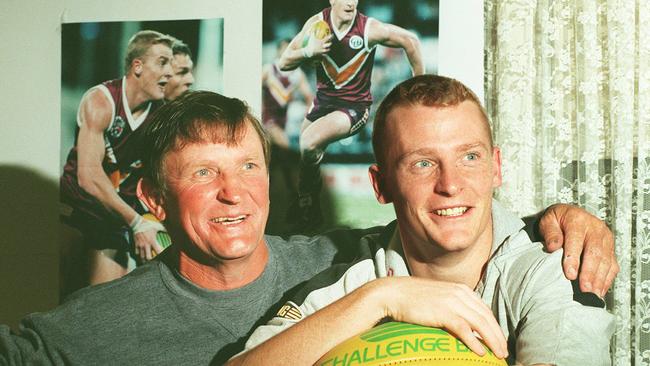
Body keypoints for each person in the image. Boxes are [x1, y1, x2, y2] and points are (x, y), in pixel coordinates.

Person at [2, 91, 615, 365]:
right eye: (202, 174)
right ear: (153, 201)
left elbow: (444, 223)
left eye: (248, 166)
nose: (233, 192)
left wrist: (557, 222)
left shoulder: (334, 258)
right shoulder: (92, 324)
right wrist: (382, 298)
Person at [232, 76, 616, 366]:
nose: (450, 185)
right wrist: (383, 298)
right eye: (423, 164)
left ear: (495, 168)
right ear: (381, 186)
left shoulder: (555, 271)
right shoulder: (354, 282)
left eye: (469, 157)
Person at [280, 0, 425, 229]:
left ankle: (306, 206)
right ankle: (310, 207)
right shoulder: (318, 24)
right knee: (307, 151)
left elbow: (411, 41)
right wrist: (310, 51)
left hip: (354, 108)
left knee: (308, 143)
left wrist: (419, 84)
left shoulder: (368, 29)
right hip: (322, 104)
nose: (350, 2)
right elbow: (284, 62)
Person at [60, 30, 173, 286]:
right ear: (138, 66)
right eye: (162, 62)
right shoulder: (101, 101)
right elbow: (88, 177)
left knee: (104, 302)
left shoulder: (162, 116)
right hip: (76, 208)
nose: (169, 71)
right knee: (50, 278)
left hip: (115, 220)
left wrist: (147, 221)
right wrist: (136, 224)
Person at [262, 39, 314, 197]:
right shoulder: (269, 69)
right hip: (267, 119)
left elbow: (309, 98)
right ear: (278, 52)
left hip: (282, 122)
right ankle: (294, 192)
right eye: (284, 50)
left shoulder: (297, 74)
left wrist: (309, 116)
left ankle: (272, 193)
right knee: (285, 148)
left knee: (277, 160)